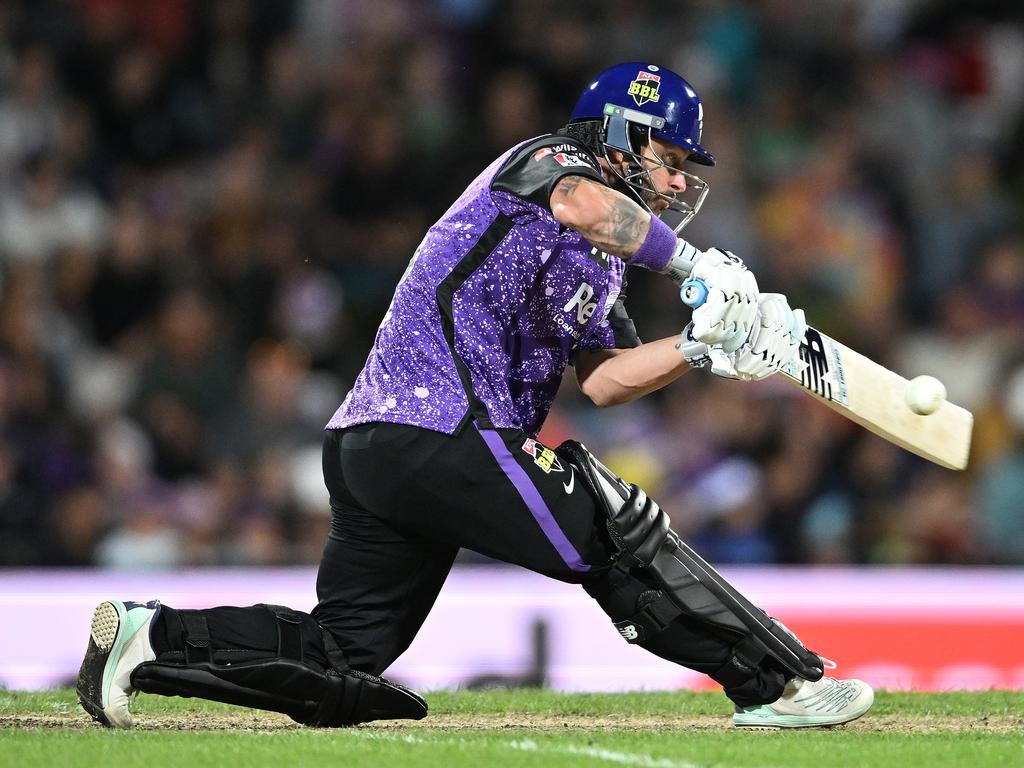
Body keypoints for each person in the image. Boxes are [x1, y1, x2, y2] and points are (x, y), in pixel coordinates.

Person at [77, 62, 874, 730]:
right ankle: (780, 685)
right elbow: (582, 205)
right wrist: (696, 269)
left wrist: (704, 346)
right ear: (620, 135)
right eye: (668, 156)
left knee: (343, 656)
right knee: (613, 528)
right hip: (441, 426)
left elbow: (605, 379)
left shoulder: (606, 257)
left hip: (381, 447)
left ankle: (149, 640)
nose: (676, 179)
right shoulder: (548, 165)